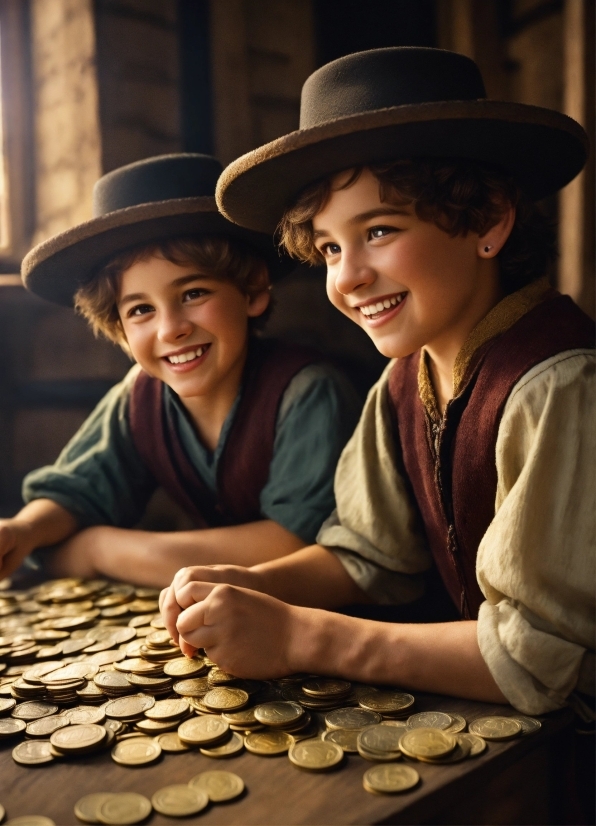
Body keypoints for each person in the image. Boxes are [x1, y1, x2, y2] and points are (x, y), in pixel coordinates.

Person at [160, 49, 594, 719]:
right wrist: (256, 585)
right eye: (331, 248)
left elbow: (538, 654)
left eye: (380, 231)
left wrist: (301, 634)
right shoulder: (402, 382)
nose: (348, 278)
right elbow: (371, 556)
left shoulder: (558, 385)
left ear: (488, 221)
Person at [0, 153, 361, 587]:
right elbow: (76, 492)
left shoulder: (308, 392)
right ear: (118, 329)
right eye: (140, 310)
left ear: (252, 292)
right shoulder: (139, 397)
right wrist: (25, 530)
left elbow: (292, 544)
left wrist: (99, 550)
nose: (171, 329)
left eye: (192, 293)